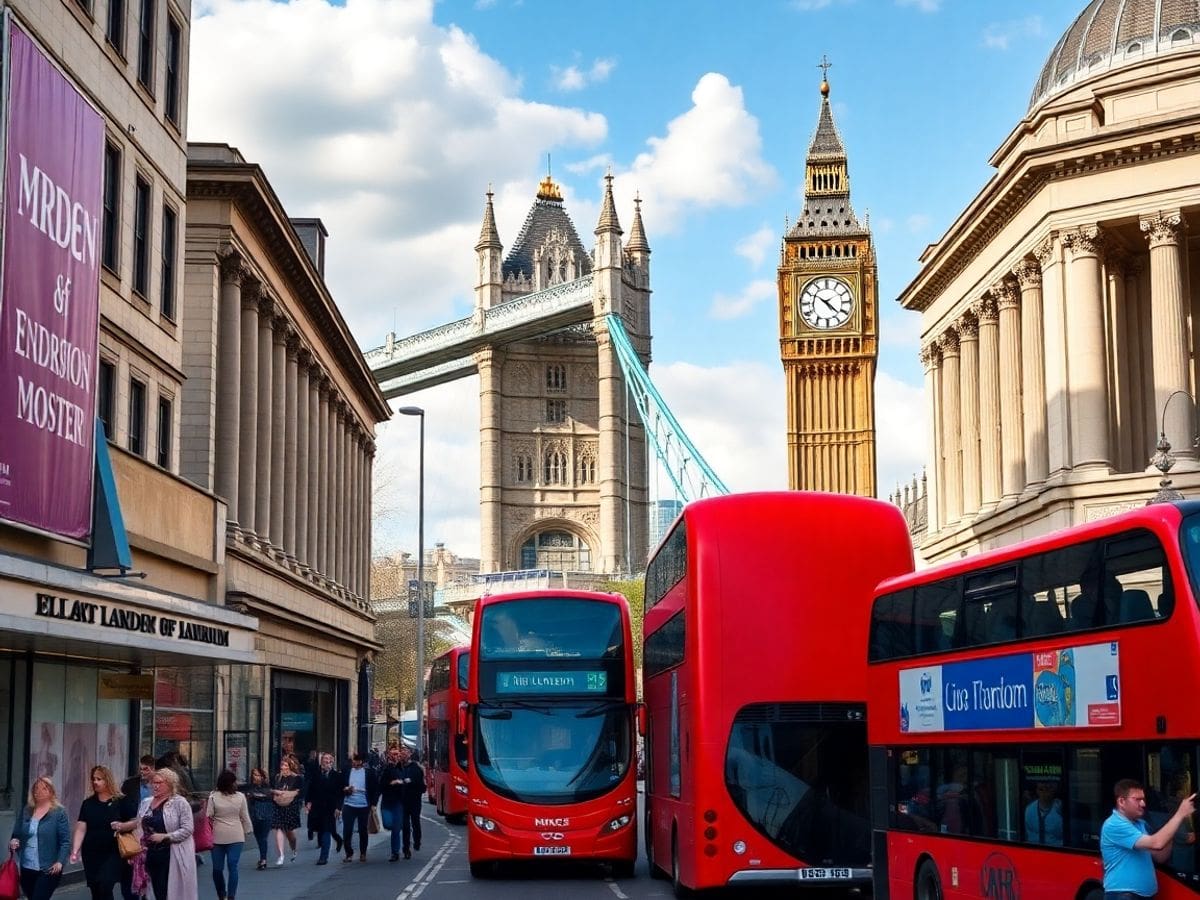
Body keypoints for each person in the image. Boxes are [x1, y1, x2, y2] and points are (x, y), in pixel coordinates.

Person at [1101, 777, 1196, 897]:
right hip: (1123, 895)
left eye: (1143, 799)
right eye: (1137, 799)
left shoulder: (1139, 824)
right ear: (1121, 801)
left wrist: (1172, 829)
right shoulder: (1114, 824)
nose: (1143, 804)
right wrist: (1180, 814)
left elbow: (1160, 856)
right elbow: (1157, 843)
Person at [121, 768, 197, 900]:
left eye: (159, 783)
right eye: (153, 783)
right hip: (148, 853)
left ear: (170, 784)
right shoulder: (146, 802)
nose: (155, 786)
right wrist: (134, 850)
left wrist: (166, 836)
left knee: (166, 891)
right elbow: (139, 825)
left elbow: (188, 829)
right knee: (150, 891)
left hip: (171, 853)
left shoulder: (180, 803)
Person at [7, 776, 70, 900]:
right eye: (36, 788)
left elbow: (65, 841)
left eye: (44, 789)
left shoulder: (59, 813)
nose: (39, 791)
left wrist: (60, 862)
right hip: (27, 867)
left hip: (48, 868)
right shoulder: (27, 810)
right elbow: (17, 834)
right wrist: (14, 841)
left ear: (51, 792)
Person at [69, 766, 127, 899]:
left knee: (105, 885)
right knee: (95, 890)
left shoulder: (120, 801)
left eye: (99, 779)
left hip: (113, 851)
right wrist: (75, 850)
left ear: (107, 780)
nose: (95, 782)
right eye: (93, 779)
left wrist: (122, 825)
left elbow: (135, 822)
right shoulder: (88, 803)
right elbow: (81, 827)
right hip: (91, 853)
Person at [206, 770, 252, 900]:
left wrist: (248, 831)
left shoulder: (240, 797)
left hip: (236, 836)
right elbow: (208, 816)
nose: (236, 784)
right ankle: (221, 894)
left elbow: (244, 815)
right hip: (216, 838)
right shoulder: (213, 797)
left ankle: (231, 896)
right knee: (217, 869)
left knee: (233, 865)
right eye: (233, 782)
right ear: (227, 783)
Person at [119, 757, 157, 900]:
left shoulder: (159, 784)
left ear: (153, 768)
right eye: (141, 768)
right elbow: (121, 804)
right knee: (130, 870)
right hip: (132, 831)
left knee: (148, 870)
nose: (142, 772)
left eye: (146, 769)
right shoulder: (130, 784)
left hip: (152, 832)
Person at [304, 753, 344, 865]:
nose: (326, 762)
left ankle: (323, 857)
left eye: (328, 760)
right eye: (324, 760)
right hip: (317, 807)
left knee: (326, 830)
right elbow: (310, 789)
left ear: (332, 763)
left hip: (330, 808)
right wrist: (307, 802)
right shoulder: (315, 775)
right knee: (321, 830)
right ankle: (338, 839)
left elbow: (341, 794)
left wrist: (338, 808)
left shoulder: (337, 776)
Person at [339, 752, 379, 863]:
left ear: (362, 762)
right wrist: (346, 789)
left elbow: (376, 788)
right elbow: (341, 786)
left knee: (363, 830)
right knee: (347, 830)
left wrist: (373, 804)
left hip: (363, 805)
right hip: (349, 804)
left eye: (357, 761)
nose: (355, 763)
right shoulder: (347, 772)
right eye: (354, 761)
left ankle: (363, 853)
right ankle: (349, 853)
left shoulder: (369, 773)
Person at [271, 757, 303, 866]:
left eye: (285, 765)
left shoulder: (296, 778)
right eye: (282, 765)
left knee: (290, 832)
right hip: (278, 805)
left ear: (290, 766)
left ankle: (293, 847)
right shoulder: (277, 777)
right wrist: (276, 792)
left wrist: (289, 794)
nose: (283, 767)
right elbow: (272, 789)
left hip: (291, 806)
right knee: (278, 828)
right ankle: (281, 855)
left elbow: (300, 792)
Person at [394, 747, 426, 860]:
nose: (402, 756)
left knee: (415, 822)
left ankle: (417, 841)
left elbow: (420, 783)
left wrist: (409, 781)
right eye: (401, 754)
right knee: (405, 826)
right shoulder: (398, 767)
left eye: (405, 753)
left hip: (414, 800)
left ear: (409, 755)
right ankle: (406, 849)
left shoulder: (416, 768)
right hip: (402, 801)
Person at [241, 767, 275, 871]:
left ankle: (263, 859)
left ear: (262, 776)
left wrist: (254, 795)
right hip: (254, 815)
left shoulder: (268, 787)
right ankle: (262, 857)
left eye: (258, 775)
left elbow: (268, 795)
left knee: (263, 837)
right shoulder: (249, 787)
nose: (256, 777)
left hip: (266, 815)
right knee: (259, 838)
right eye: (254, 775)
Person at [1024, 780, 1064, 847]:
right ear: (1037, 791)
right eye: (1041, 789)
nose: (1044, 792)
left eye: (1048, 789)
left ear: (1053, 790)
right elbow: (1029, 836)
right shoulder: (1029, 810)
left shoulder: (1060, 808)